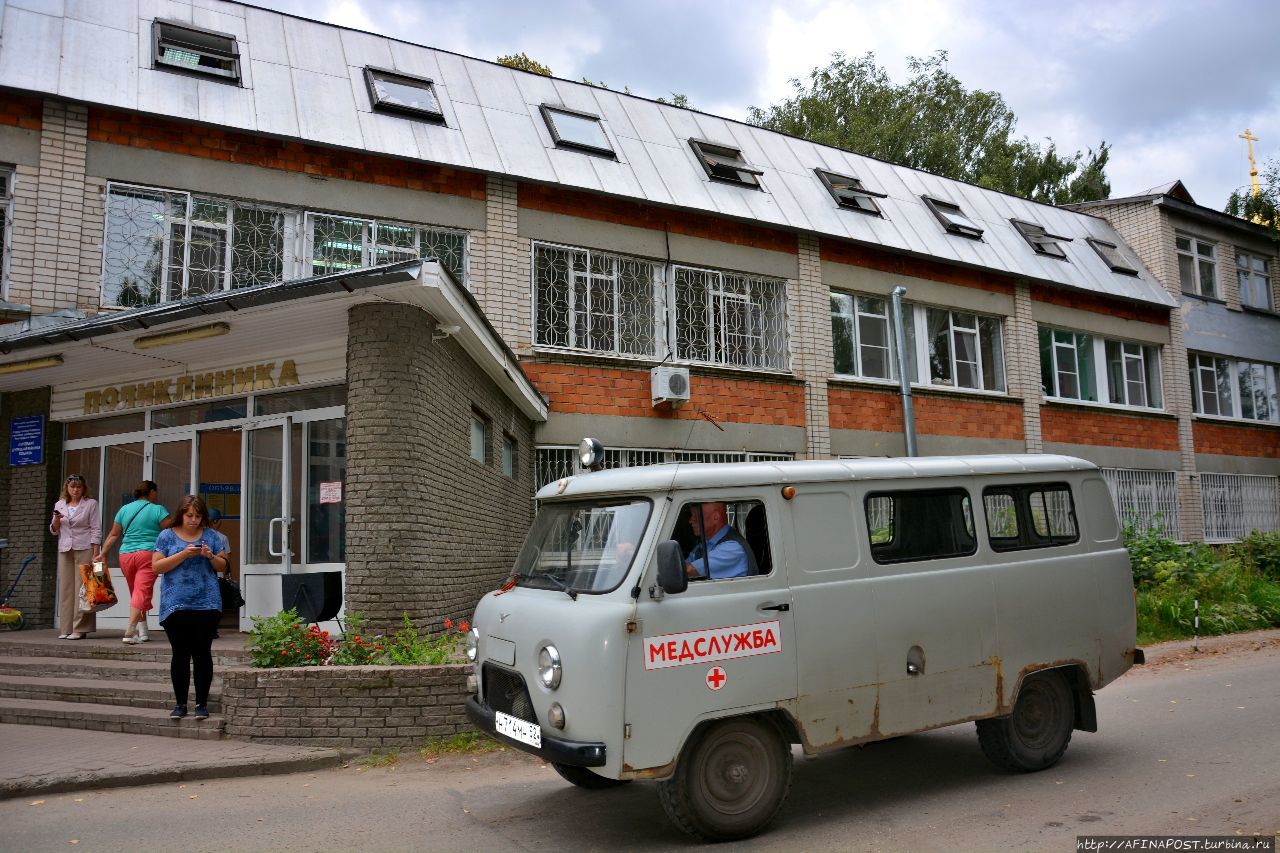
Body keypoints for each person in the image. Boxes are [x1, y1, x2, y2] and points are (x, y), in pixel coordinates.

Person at [152, 495, 229, 720]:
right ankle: (180, 704)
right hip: (175, 603)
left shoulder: (212, 536)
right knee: (180, 653)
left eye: (197, 516)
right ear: (181, 515)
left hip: (206, 602)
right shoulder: (166, 536)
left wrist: (210, 555)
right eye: (189, 516)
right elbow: (156, 567)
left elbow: (223, 565)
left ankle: (201, 704)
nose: (193, 520)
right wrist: (184, 553)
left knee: (202, 652)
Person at [95, 480, 170, 644]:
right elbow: (170, 531)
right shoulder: (158, 510)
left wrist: (103, 553)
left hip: (126, 556)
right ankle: (130, 630)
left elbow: (114, 534)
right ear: (151, 492)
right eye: (156, 492)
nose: (157, 495)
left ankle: (143, 631)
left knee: (136, 593)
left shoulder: (124, 509)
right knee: (141, 593)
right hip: (148, 555)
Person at [49, 474, 100, 639]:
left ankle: (81, 628)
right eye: (72, 487)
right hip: (65, 549)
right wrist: (56, 519)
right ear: (67, 488)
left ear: (83, 488)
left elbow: (95, 528)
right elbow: (54, 530)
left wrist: (96, 552)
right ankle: (66, 628)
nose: (75, 490)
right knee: (66, 589)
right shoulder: (60, 504)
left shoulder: (91, 504)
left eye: (78, 487)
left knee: (83, 589)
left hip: (84, 547)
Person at [684, 502, 756, 580]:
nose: (691, 520)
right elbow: (685, 564)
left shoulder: (732, 548)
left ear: (716, 517)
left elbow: (686, 571)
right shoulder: (705, 543)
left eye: (696, 515)